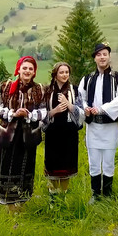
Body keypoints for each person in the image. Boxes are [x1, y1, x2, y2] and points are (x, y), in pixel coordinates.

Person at [0, 56, 46, 211]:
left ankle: (22, 203)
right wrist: (13, 114)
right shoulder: (6, 86)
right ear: (19, 69)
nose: (27, 71)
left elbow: (44, 110)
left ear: (34, 71)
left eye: (30, 68)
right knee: (7, 166)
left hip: (28, 135)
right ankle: (8, 204)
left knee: (25, 166)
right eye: (25, 68)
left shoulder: (39, 89)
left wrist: (29, 115)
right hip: (8, 134)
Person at [78, 42, 118, 202]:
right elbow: (81, 98)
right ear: (94, 58)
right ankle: (95, 194)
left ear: (109, 57)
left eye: (105, 54)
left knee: (108, 160)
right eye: (99, 54)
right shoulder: (87, 79)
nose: (102, 57)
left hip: (110, 126)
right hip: (92, 126)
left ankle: (107, 194)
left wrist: (102, 109)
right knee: (93, 160)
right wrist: (86, 108)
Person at [42, 62, 85, 195]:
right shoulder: (47, 91)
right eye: (61, 72)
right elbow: (41, 113)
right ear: (55, 75)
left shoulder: (75, 90)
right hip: (53, 133)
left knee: (67, 167)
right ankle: (53, 197)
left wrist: (69, 105)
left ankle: (64, 196)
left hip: (69, 133)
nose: (65, 75)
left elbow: (82, 112)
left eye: (67, 72)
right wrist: (53, 111)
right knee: (53, 166)